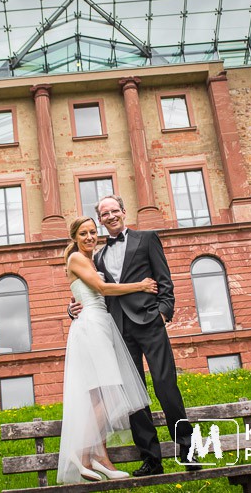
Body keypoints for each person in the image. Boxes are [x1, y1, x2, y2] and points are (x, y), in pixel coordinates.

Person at [68, 195, 199, 476]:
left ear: (124, 212)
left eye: (114, 210)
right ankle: (151, 458)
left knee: (166, 386)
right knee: (133, 395)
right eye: (105, 214)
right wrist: (72, 307)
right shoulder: (97, 257)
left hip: (150, 323)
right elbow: (91, 289)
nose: (111, 216)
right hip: (118, 330)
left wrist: (163, 313)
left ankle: (187, 450)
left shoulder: (147, 239)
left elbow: (164, 280)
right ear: (101, 220)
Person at [57, 216, 156, 483]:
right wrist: (142, 285)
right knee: (111, 393)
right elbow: (100, 288)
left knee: (98, 396)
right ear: (74, 237)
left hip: (99, 323)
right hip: (92, 325)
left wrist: (71, 305)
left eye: (93, 232)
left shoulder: (91, 260)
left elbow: (81, 292)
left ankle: (100, 457)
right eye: (84, 233)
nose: (90, 237)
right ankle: (81, 453)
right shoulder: (77, 258)